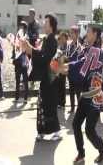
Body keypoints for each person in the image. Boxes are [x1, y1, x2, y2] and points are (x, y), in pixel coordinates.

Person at [67, 24, 103, 163]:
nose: (86, 34)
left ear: (95, 34)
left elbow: (81, 68)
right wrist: (63, 62)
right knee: (76, 124)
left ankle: (102, 151)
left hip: (94, 96)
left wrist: (64, 68)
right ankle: (81, 153)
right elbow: (74, 60)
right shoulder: (85, 49)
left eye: (89, 32)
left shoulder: (97, 52)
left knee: (89, 130)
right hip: (85, 95)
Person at [21, 13, 62, 141]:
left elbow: (46, 58)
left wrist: (31, 50)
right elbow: (42, 54)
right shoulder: (47, 39)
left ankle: (56, 131)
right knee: (43, 104)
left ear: (51, 26)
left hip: (50, 78)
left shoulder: (52, 40)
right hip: (46, 78)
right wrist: (31, 49)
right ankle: (42, 131)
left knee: (49, 105)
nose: (44, 24)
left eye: (46, 22)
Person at [66, 25, 82, 113]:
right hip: (70, 71)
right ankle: (72, 108)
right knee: (71, 90)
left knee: (78, 92)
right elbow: (67, 56)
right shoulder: (69, 45)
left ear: (77, 34)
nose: (70, 34)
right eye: (70, 33)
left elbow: (79, 59)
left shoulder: (79, 46)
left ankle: (79, 108)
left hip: (77, 72)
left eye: (72, 33)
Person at [12, 21, 29, 103]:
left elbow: (28, 48)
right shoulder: (17, 37)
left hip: (24, 61)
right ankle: (16, 97)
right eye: (20, 27)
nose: (21, 28)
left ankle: (25, 98)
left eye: (23, 27)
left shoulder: (26, 37)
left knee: (25, 80)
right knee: (17, 80)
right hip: (18, 62)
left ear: (25, 28)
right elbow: (15, 49)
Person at [57, 32, 68, 109]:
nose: (62, 39)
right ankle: (58, 102)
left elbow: (67, 57)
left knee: (62, 86)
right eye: (61, 38)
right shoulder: (59, 45)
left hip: (64, 67)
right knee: (58, 85)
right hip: (58, 67)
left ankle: (63, 103)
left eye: (63, 38)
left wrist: (62, 55)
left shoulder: (67, 46)